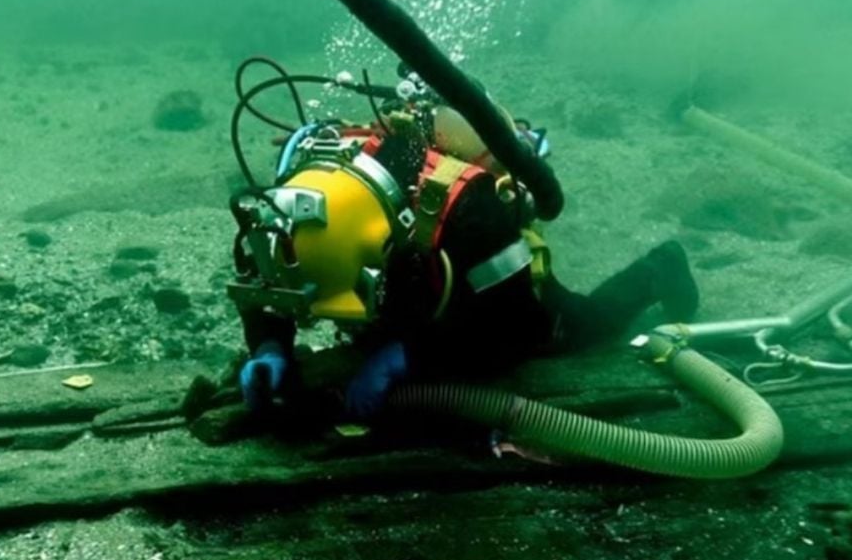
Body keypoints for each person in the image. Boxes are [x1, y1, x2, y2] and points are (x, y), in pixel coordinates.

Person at [227, 67, 698, 419]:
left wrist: (413, 357)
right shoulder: (293, 204)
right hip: (421, 284)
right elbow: (264, 285)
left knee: (572, 329)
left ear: (384, 246)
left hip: (484, 294)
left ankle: (660, 268)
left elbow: (514, 328)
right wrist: (271, 347)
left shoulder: (472, 210)